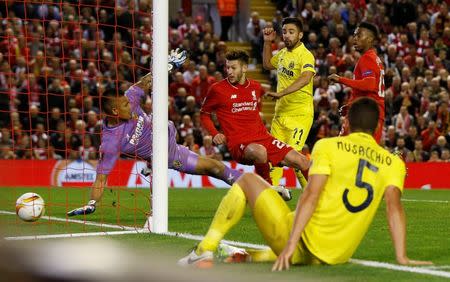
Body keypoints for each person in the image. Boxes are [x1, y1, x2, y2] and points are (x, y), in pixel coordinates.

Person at [178, 98, 432, 269]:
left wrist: (289, 244)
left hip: (301, 241)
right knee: (288, 252)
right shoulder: (392, 163)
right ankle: (243, 255)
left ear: (347, 122)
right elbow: (394, 208)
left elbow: (310, 195)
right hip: (334, 256)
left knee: (246, 180)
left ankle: (205, 248)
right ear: (377, 126)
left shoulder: (328, 146)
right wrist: (402, 256)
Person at [67, 51, 242, 216]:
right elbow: (101, 178)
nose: (130, 105)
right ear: (114, 111)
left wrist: (168, 65)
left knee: (216, 166)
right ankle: (154, 207)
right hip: (167, 154)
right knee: (214, 167)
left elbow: (145, 82)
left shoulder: (130, 98)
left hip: (167, 134)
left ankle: (250, 187)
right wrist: (91, 203)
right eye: (126, 106)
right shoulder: (110, 142)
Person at [200, 50, 309, 187]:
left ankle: (321, 199)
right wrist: (215, 133)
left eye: (233, 68)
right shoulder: (217, 89)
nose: (229, 71)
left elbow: (262, 97)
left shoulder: (255, 86)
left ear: (244, 68)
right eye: (227, 67)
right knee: (260, 151)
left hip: (264, 138)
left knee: (303, 161)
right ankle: (270, 190)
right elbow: (204, 114)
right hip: (239, 144)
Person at [262, 17, 316, 188]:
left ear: (300, 35)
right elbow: (267, 64)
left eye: (291, 32)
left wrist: (282, 93)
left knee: (294, 157)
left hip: (300, 114)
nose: (286, 35)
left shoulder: (306, 55)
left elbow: (306, 77)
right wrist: (267, 43)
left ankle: (314, 194)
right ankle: (271, 194)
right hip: (280, 114)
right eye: (284, 32)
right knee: (274, 157)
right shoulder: (283, 54)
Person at [328, 22, 385, 144]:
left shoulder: (367, 58)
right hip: (374, 112)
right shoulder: (375, 58)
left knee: (342, 149)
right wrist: (351, 105)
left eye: (359, 36)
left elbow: (369, 85)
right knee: (365, 154)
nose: (355, 39)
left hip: (365, 114)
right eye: (354, 35)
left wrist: (340, 79)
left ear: (370, 39)